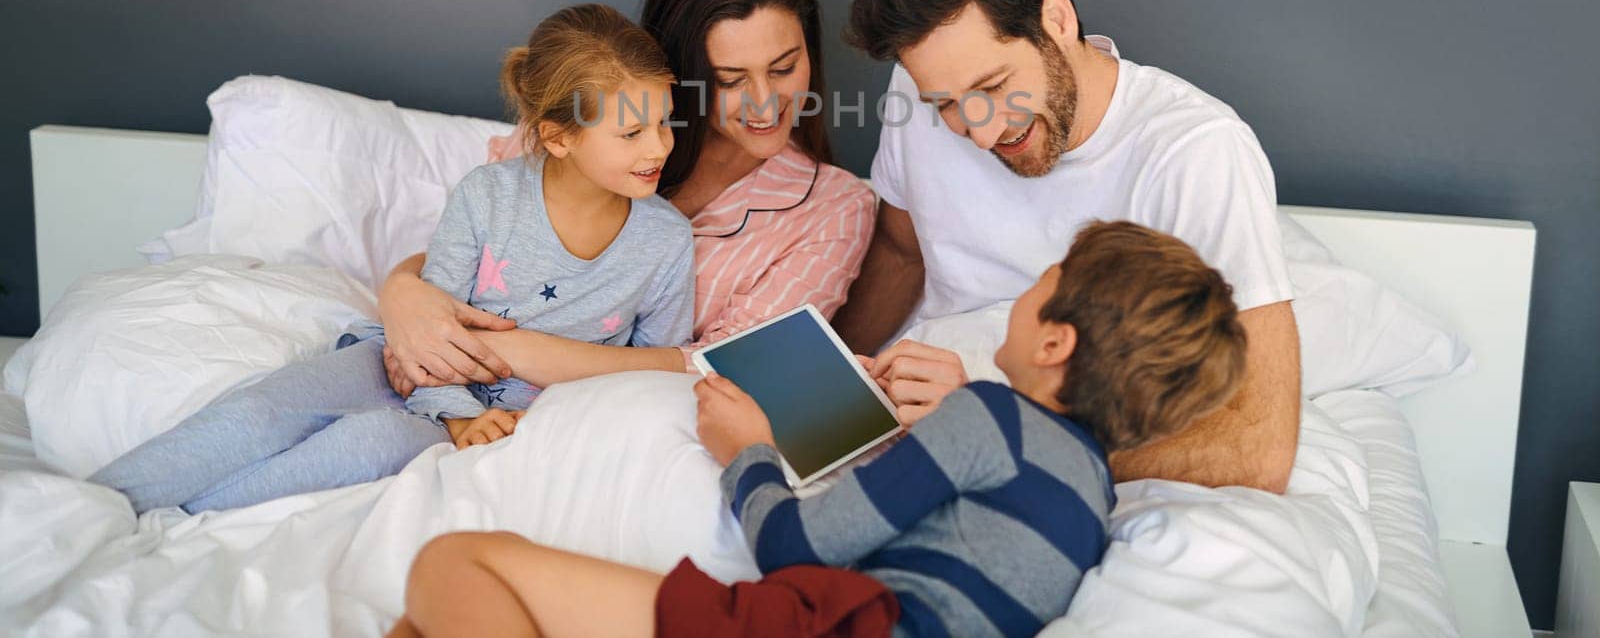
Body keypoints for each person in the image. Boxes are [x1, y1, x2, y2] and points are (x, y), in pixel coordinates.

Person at [384, 221, 1248, 638]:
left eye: (1041, 278)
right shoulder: (1093, 490)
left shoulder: (990, 416)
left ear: (1054, 340)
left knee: (450, 563)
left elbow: (799, 550)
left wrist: (749, 448)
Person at [89, 4, 694, 512]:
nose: (659, 147)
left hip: (508, 417)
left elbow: (650, 377)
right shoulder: (489, 194)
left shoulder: (664, 242)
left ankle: (166, 521)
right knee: (262, 407)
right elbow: (430, 324)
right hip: (404, 365)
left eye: (665, 122)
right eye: (632, 133)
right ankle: (97, 504)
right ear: (559, 136)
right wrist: (455, 410)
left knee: (365, 447)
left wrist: (467, 425)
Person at [832, 0, 1302, 493]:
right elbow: (901, 251)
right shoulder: (919, 81)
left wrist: (998, 430)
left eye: (994, 86)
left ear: (1056, 18)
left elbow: (1258, 452)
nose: (979, 132)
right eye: (947, 105)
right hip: (921, 412)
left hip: (1030, 436)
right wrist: (831, 385)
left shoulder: (1196, 151)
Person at [377, 0, 876, 393]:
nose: (766, 102)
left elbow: (730, 364)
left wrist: (497, 347)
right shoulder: (594, 128)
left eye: (784, 67)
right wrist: (403, 293)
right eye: (730, 79)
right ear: (681, 73)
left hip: (607, 416)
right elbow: (483, 236)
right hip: (464, 394)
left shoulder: (834, 208)